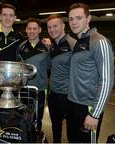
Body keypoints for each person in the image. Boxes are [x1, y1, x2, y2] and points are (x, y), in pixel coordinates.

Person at [67, 3, 114, 143]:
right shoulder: (79, 42)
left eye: (79, 18)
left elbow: (106, 80)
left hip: (88, 107)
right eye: (70, 19)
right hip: (72, 104)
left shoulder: (99, 41)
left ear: (88, 19)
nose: (74, 22)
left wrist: (95, 114)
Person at [46, 14, 76, 143]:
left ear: (63, 26)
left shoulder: (73, 44)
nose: (52, 30)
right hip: (53, 95)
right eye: (49, 27)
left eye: (55, 26)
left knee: (72, 131)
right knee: (56, 127)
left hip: (68, 96)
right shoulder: (52, 46)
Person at [17, 18, 50, 131]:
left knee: (37, 119)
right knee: (23, 118)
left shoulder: (47, 47)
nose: (32, 31)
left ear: (40, 30)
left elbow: (50, 67)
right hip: (23, 89)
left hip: (39, 90)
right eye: (29, 28)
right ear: (26, 29)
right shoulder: (20, 47)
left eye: (35, 29)